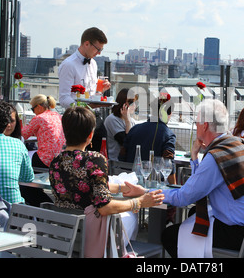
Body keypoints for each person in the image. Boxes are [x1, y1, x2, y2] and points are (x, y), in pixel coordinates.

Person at [152, 99, 244, 258]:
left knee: (170, 236)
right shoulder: (239, 143)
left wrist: (149, 193)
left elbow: (184, 197)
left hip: (241, 234)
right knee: (194, 213)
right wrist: (194, 157)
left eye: (196, 123)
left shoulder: (217, 156)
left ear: (205, 125)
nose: (196, 126)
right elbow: (198, 187)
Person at [49, 106, 164, 258]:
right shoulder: (94, 159)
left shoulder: (56, 162)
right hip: (94, 238)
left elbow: (79, 183)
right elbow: (104, 207)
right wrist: (140, 202)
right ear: (90, 135)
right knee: (131, 215)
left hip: (67, 234)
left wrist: (122, 188)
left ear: (65, 132)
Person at [120, 92, 176, 184]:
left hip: (129, 182)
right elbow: (168, 164)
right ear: (168, 114)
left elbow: (122, 156)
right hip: (154, 185)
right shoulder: (168, 134)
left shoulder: (134, 129)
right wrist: (174, 187)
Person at [58, 27, 111, 109]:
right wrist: (85, 107)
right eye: (98, 49)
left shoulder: (93, 63)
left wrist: (101, 89)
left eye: (101, 49)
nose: (99, 53)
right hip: (76, 117)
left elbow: (91, 94)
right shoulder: (69, 65)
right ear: (86, 44)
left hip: (93, 115)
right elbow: (64, 99)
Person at [21, 94, 65, 168]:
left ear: (39, 107)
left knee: (24, 160)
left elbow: (24, 134)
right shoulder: (58, 116)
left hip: (45, 160)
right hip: (60, 159)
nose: (33, 112)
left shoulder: (39, 118)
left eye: (33, 109)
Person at [104, 88, 137, 161]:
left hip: (128, 161)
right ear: (123, 103)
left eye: (134, 102)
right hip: (116, 162)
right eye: (131, 102)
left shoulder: (132, 121)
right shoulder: (112, 119)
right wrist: (127, 121)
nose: (134, 105)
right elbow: (126, 142)